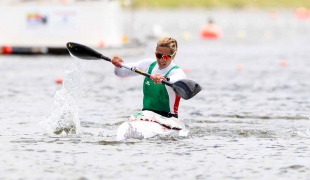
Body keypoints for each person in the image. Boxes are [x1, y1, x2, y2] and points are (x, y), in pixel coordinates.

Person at [111, 37, 186, 119]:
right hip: (146, 115)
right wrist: (118, 65)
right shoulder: (148, 64)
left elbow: (177, 79)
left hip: (168, 118)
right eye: (158, 55)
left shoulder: (177, 72)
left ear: (173, 55)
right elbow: (120, 73)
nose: (161, 60)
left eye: (166, 57)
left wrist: (165, 79)